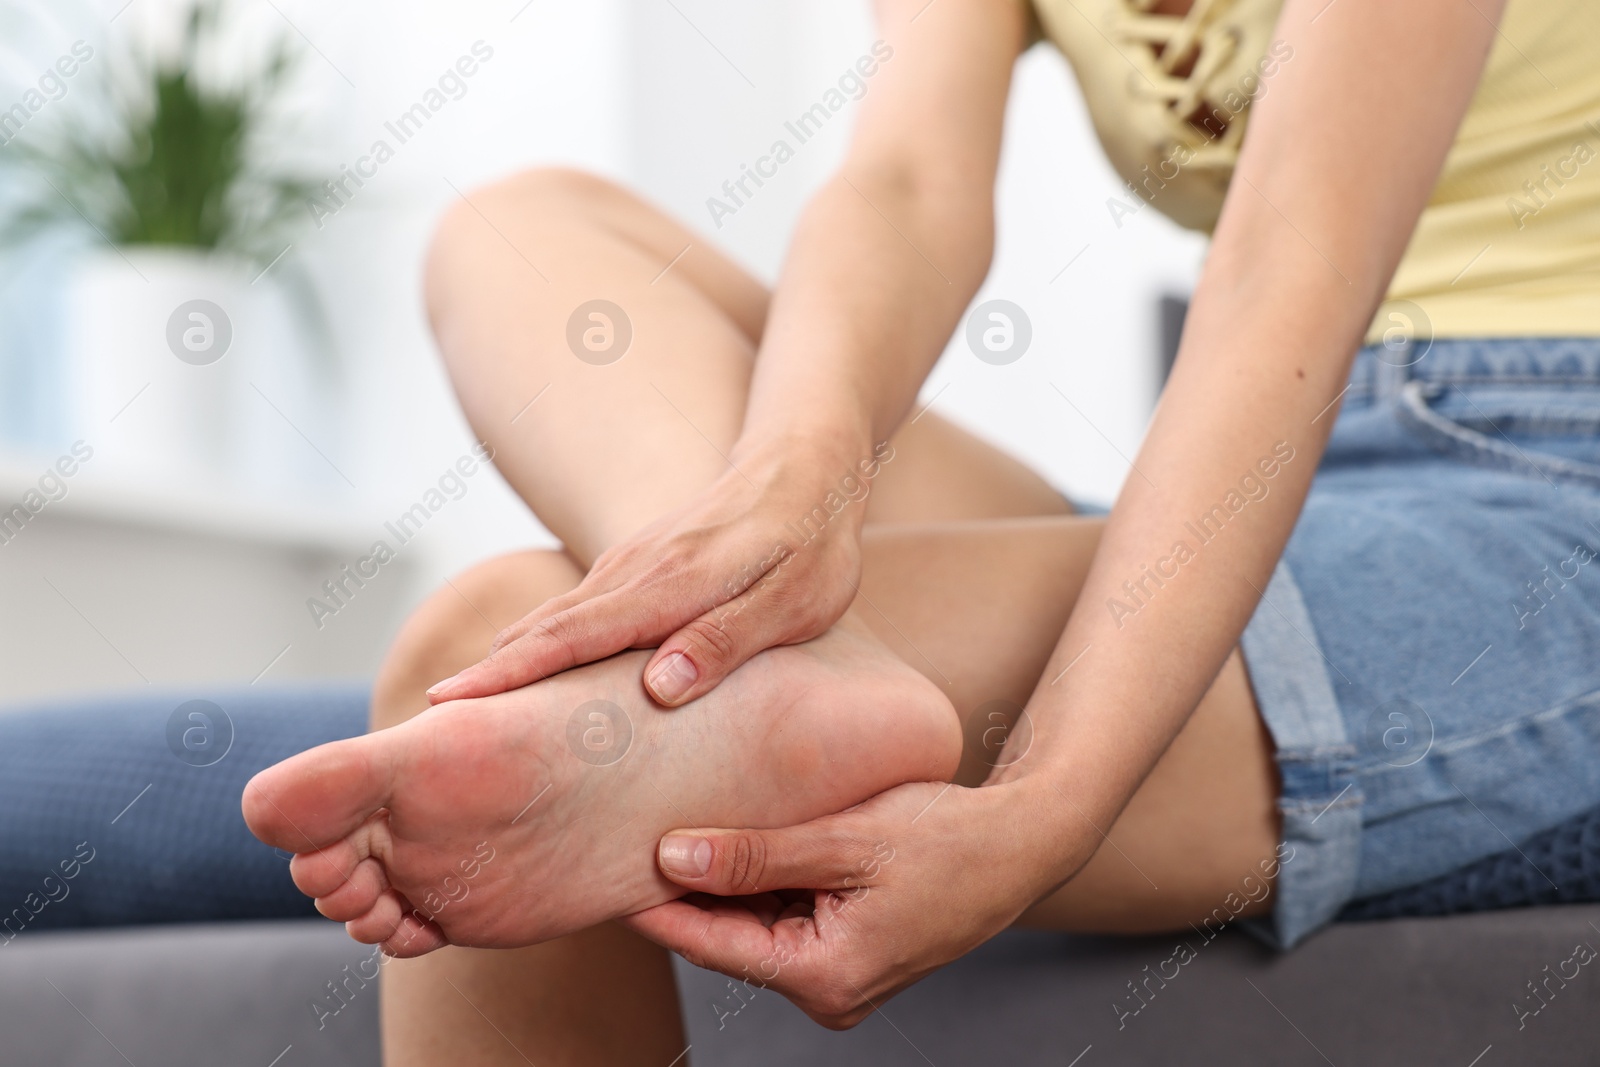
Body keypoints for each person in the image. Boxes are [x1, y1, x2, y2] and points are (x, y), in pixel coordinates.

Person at [244, 0, 1600, 1061]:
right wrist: (798, 483)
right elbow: (908, 183)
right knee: (523, 230)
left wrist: (1048, 807)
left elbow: (1285, 263)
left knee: (483, 645)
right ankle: (757, 647)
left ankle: (734, 692)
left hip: (1546, 498)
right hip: (1279, 481)